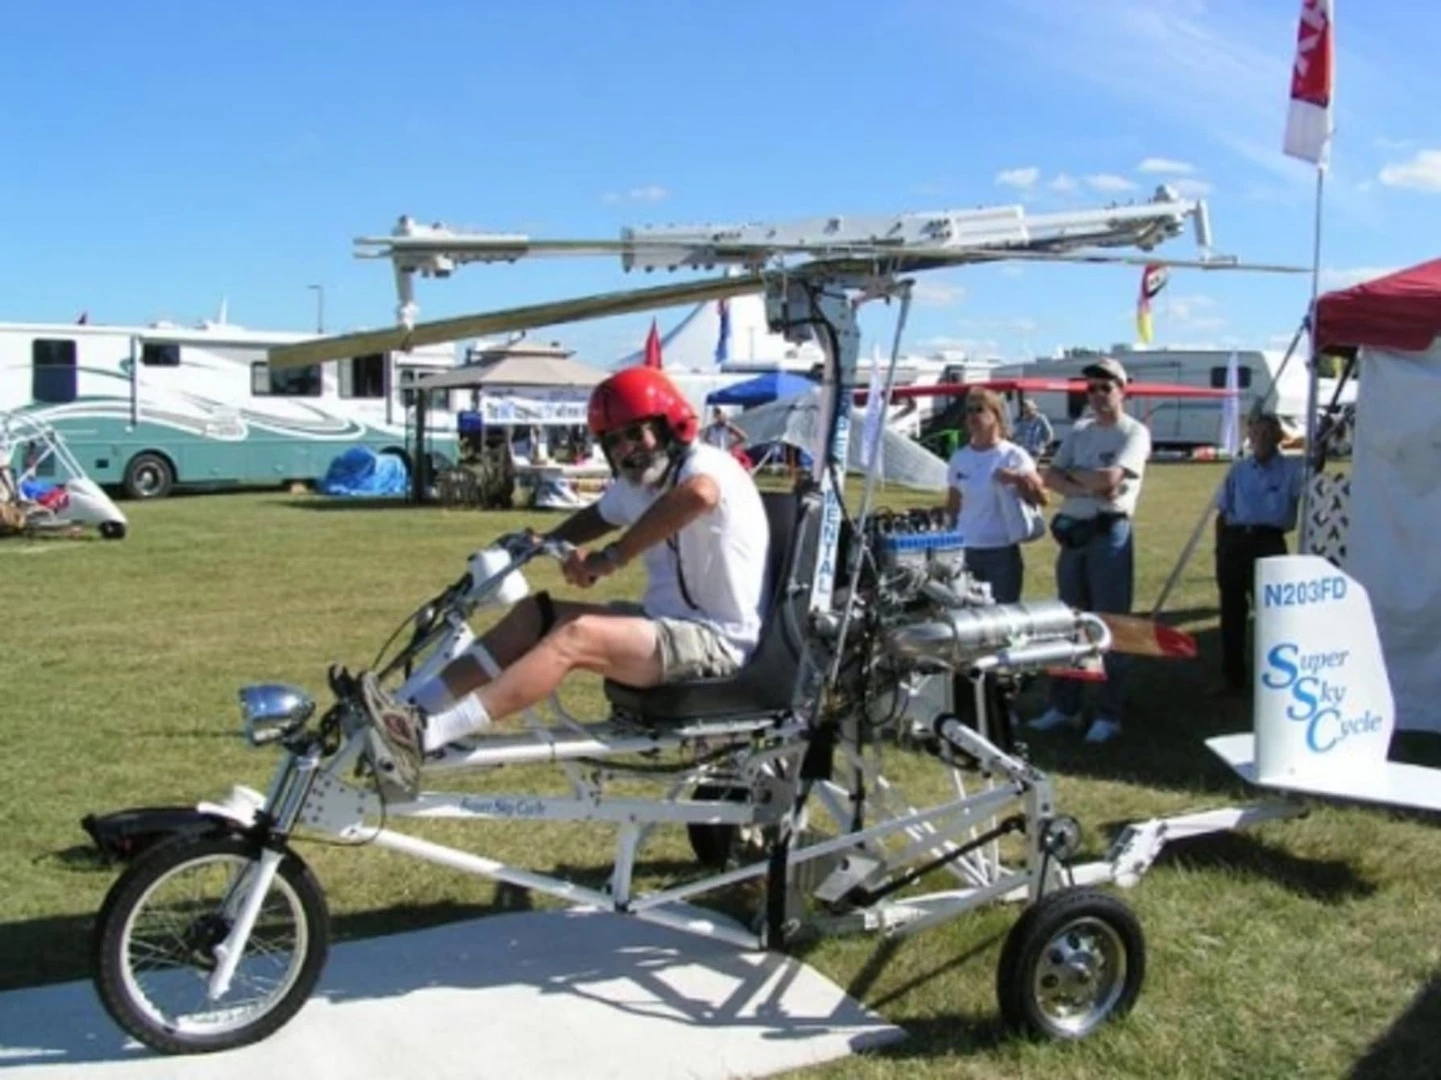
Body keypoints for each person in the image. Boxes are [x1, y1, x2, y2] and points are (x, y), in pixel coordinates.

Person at [360, 366, 771, 799]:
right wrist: (546, 542)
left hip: (718, 642)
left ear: (669, 425)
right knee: (534, 615)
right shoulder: (640, 482)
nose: (626, 449)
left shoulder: (707, 465)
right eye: (613, 441)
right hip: (666, 624)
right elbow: (598, 515)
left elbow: (700, 496)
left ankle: (427, 736)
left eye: (636, 433)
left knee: (576, 636)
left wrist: (612, 557)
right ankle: (408, 710)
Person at [1028, 356, 1151, 744]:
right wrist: (1089, 485)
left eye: (1105, 387)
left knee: (1110, 624)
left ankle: (1108, 714)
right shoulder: (1080, 430)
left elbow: (1112, 477)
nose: (1097, 394)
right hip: (1075, 535)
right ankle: (1064, 706)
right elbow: (1049, 475)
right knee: (1070, 622)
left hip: (1109, 533)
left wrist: (1079, 480)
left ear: (1122, 390)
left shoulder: (1134, 433)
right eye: (1091, 388)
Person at [1214, 413, 1305, 692]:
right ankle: (1233, 678)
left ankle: (1275, 679)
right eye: (1256, 434)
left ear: (1278, 438)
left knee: (1271, 613)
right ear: (1249, 438)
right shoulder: (1239, 470)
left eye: (1267, 434)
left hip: (1268, 542)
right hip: (1235, 540)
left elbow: (1316, 468)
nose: (1261, 440)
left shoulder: (1293, 468)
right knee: (1232, 611)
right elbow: (1222, 510)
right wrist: (1221, 549)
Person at [945, 388, 1047, 604]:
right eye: (969, 411)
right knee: (966, 613)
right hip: (965, 550)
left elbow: (1042, 498)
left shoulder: (1013, 454)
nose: (972, 416)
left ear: (996, 415)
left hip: (1001, 550)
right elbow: (953, 506)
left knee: (1003, 614)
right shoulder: (959, 458)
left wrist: (1017, 479)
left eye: (979, 410)